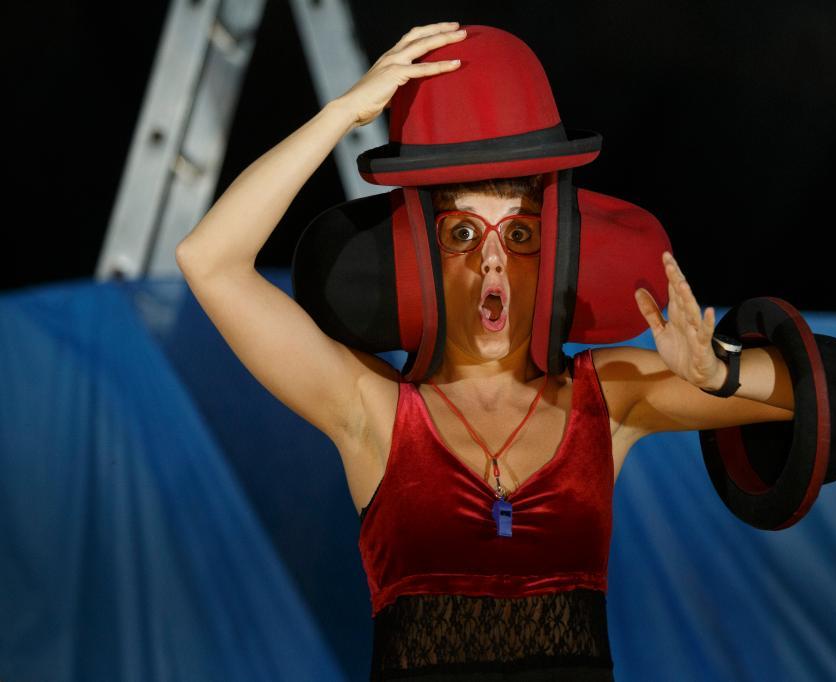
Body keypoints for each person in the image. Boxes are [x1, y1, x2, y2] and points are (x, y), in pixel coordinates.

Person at [177, 22, 796, 680]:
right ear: (423, 255)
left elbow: (801, 397)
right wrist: (342, 113)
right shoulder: (371, 409)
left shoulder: (605, 395)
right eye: (463, 233)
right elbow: (208, 260)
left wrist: (718, 371)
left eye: (519, 233)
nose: (492, 259)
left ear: (552, 253)